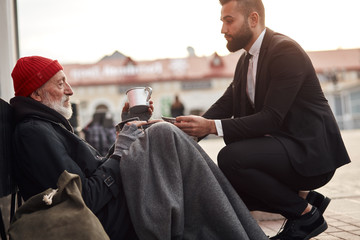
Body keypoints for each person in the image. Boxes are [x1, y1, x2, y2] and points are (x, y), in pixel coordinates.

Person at [10, 56, 268, 240]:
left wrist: (124, 132)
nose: (70, 90)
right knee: (162, 134)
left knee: (159, 134)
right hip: (106, 220)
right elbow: (85, 199)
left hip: (113, 206)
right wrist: (121, 151)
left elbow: (97, 171)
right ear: (36, 94)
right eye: (60, 83)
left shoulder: (48, 127)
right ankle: (239, 230)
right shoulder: (35, 134)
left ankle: (234, 228)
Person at [175, 0, 351, 239]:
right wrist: (180, 130)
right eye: (222, 22)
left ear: (253, 19)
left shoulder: (284, 51)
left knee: (231, 158)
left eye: (229, 21)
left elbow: (271, 118)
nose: (223, 30)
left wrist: (211, 127)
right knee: (230, 188)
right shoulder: (246, 59)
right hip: (285, 148)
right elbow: (225, 104)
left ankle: (306, 215)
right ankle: (307, 202)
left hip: (311, 152)